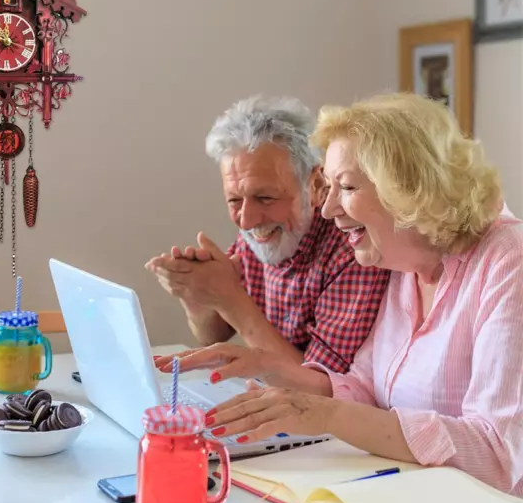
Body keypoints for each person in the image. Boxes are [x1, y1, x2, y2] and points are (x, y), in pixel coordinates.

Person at [155, 92, 523, 497]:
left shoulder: (509, 260)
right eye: (327, 187)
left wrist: (327, 415)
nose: (328, 209)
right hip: (410, 496)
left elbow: (497, 454)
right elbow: (363, 388)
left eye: (346, 187)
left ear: (409, 189)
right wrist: (263, 366)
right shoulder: (401, 261)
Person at [146, 95, 390, 371]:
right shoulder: (258, 234)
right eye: (234, 200)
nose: (247, 220)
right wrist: (197, 294)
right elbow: (211, 335)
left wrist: (230, 297)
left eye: (266, 198)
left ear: (316, 184)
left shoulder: (353, 248)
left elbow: (322, 385)